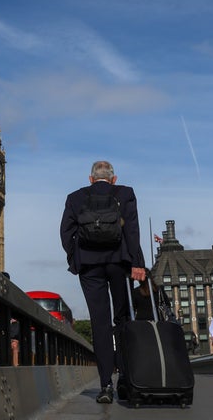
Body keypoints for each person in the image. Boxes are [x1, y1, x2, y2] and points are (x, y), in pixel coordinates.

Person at [61, 160, 146, 404]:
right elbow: (132, 230)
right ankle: (127, 381)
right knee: (123, 320)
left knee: (100, 324)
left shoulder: (75, 197)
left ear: (90, 179)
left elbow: (65, 233)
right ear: (113, 179)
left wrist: (75, 258)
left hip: (89, 265)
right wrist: (137, 263)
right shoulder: (125, 194)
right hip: (119, 263)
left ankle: (105, 385)